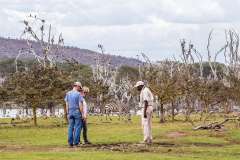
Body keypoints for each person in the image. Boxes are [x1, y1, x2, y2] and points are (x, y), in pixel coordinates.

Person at [65, 82, 83, 147]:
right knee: (78, 127)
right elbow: (80, 105)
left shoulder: (68, 93)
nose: (80, 89)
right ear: (77, 86)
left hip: (70, 111)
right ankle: (76, 142)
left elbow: (67, 104)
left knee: (70, 127)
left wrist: (67, 113)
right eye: (80, 88)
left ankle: (70, 143)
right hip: (77, 111)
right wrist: (82, 113)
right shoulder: (78, 94)